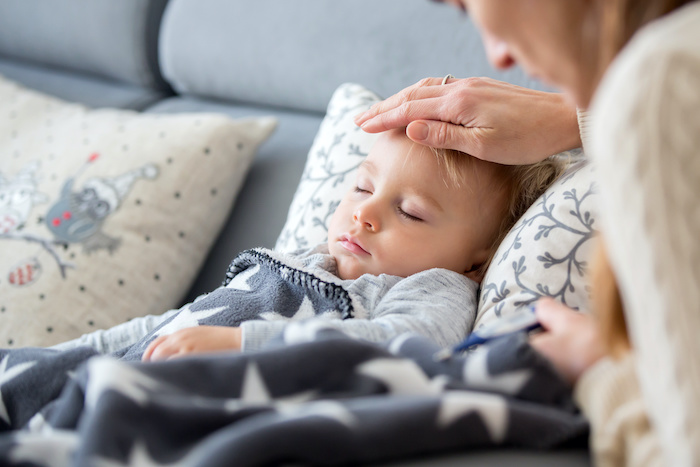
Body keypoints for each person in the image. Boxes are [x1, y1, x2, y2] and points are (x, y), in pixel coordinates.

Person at [356, 1, 700, 466]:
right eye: (360, 186)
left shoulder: (663, 83)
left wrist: (599, 371)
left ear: (478, 262)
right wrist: (576, 117)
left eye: (466, 5)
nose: (497, 56)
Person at [53, 127, 563, 362]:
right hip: (127, 366)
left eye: (409, 212)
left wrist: (244, 345)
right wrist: (68, 354)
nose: (364, 212)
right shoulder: (296, 261)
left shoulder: (434, 289)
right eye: (363, 187)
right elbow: (172, 324)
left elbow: (408, 345)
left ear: (477, 263)